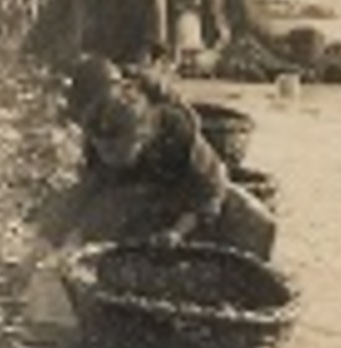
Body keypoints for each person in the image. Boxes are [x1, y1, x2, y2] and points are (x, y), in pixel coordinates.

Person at [75, 67, 276, 258]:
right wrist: (76, 235)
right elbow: (93, 192)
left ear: (142, 136)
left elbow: (208, 191)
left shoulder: (178, 139)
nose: (107, 157)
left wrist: (177, 232)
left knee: (258, 227)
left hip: (194, 191)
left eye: (115, 149)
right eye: (101, 148)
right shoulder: (98, 133)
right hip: (144, 193)